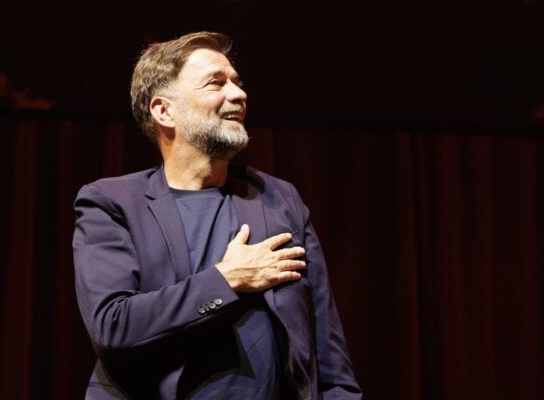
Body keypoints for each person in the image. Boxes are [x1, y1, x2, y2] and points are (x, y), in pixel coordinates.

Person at [73, 31, 362, 400]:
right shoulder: (113, 203)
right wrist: (227, 280)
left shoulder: (278, 198)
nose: (239, 95)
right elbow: (113, 326)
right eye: (216, 83)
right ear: (165, 111)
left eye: (238, 84)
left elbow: (327, 344)